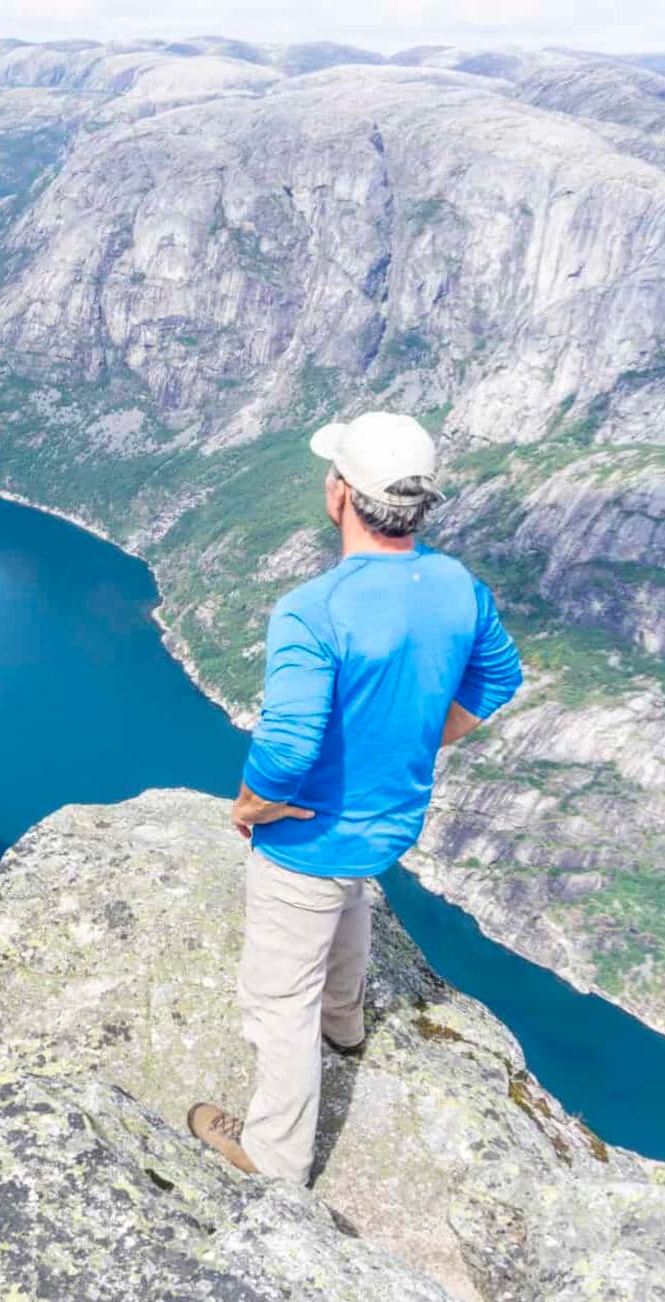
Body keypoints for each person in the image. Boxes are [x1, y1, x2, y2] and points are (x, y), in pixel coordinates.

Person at [186, 411, 523, 1184]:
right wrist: (423, 739)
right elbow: (499, 676)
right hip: (387, 825)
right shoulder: (456, 587)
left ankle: (272, 1160)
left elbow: (289, 745)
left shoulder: (314, 609)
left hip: (307, 840)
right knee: (350, 903)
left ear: (341, 493)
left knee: (277, 1003)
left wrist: (249, 807)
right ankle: (346, 1024)